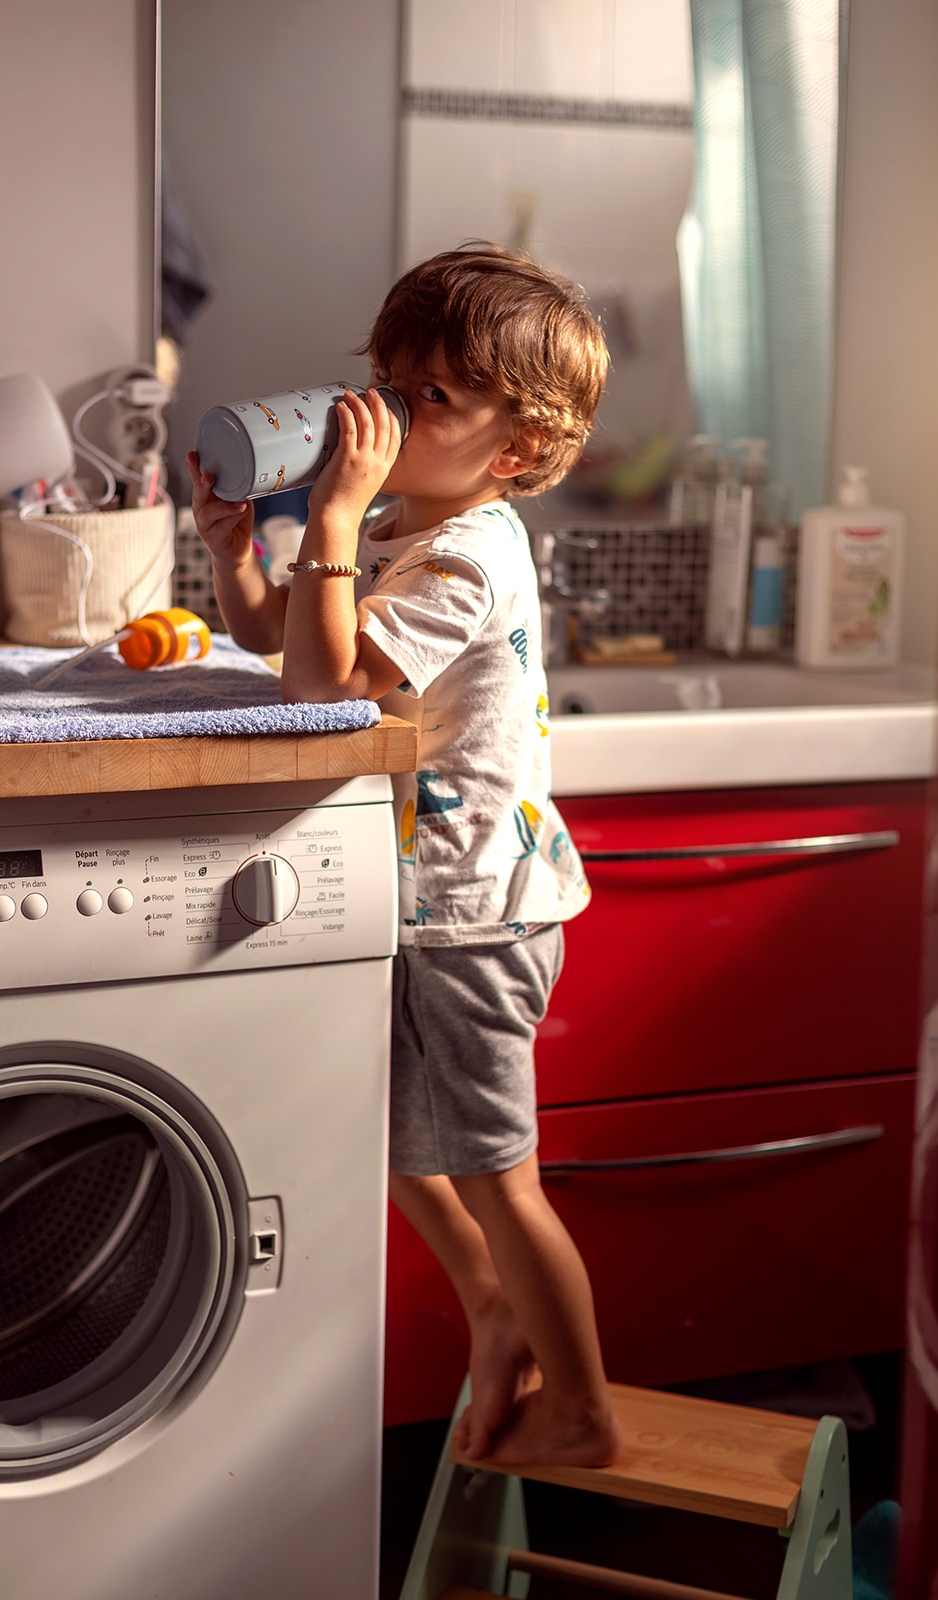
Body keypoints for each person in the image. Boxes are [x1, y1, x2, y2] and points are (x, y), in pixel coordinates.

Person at [188, 242, 623, 1469]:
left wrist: (323, 514)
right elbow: (294, 639)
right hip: (422, 900)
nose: (378, 413)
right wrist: (240, 555)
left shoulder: (465, 553)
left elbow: (329, 686)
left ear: (518, 449)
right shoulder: (402, 523)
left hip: (475, 912)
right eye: (385, 377)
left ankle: (584, 1405)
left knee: (495, 1172)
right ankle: (494, 1311)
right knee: (390, 1136)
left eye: (427, 396)